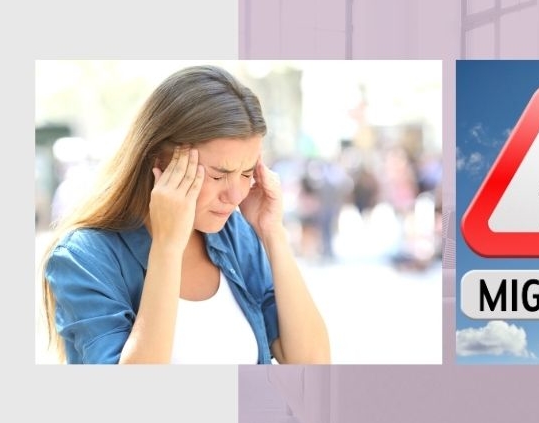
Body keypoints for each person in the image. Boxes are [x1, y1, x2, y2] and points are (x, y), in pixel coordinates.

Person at [38, 65, 331, 364]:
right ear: (159, 162)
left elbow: (312, 363)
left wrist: (273, 234)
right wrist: (167, 247)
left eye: (246, 173)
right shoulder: (83, 258)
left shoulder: (236, 236)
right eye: (218, 176)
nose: (236, 195)